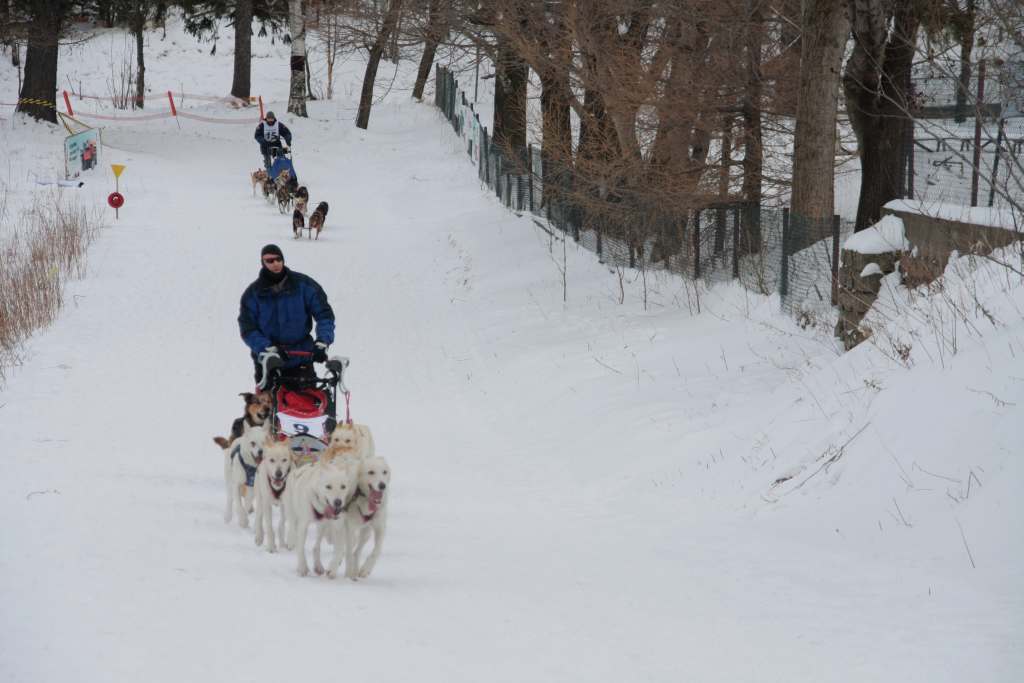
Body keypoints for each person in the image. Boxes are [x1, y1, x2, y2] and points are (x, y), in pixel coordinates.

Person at [238, 244, 335, 387]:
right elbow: (247, 328)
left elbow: (324, 315)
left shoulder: (304, 285)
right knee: (268, 407)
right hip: (269, 361)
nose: (275, 264)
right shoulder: (253, 294)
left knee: (307, 405)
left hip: (301, 357)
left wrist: (322, 342)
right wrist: (268, 348)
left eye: (278, 259)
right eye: (269, 261)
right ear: (263, 263)